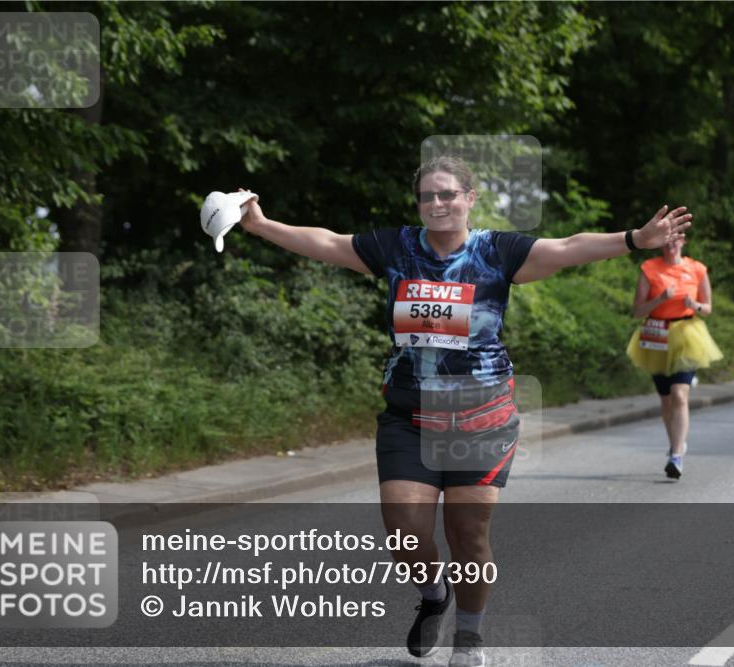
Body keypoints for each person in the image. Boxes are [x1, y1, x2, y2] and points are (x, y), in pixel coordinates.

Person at [234, 156, 691, 666]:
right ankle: (434, 596)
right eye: (428, 196)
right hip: (409, 415)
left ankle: (469, 638)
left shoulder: (497, 252)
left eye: (448, 194)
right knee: (404, 530)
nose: (437, 204)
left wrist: (634, 239)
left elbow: (566, 248)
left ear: (470, 199)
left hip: (482, 419)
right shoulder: (397, 247)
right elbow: (330, 243)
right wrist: (259, 224)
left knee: (468, 535)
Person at [626, 237, 722, 479]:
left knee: (680, 393)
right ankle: (675, 444)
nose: (671, 246)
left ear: (683, 241)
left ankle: (677, 454)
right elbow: (637, 311)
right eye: (667, 242)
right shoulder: (650, 268)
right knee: (666, 399)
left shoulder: (697, 268)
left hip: (687, 334)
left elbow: (708, 307)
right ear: (660, 244)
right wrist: (660, 299)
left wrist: (695, 304)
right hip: (657, 334)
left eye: (675, 241)